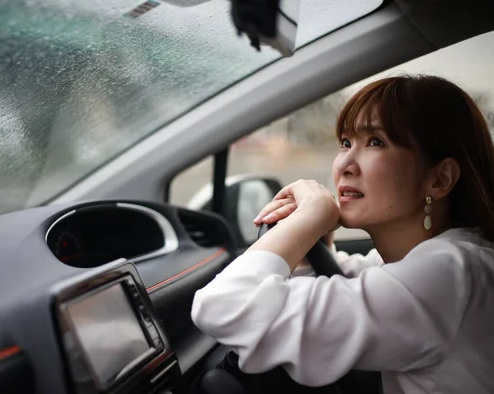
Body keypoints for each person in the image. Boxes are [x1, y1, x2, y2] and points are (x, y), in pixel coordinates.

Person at [191, 75, 494, 394]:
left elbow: (223, 305)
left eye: (376, 142)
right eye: (346, 143)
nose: (345, 165)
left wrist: (306, 220)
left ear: (439, 179)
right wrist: (315, 244)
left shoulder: (445, 274)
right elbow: (349, 283)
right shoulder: (443, 258)